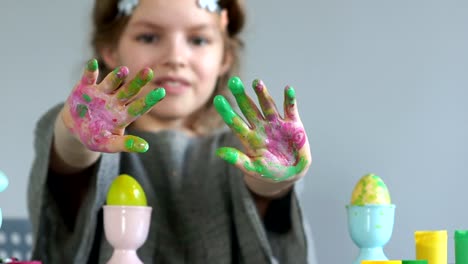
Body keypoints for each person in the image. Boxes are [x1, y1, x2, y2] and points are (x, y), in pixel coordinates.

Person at [28, 0, 316, 263]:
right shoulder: (100, 144)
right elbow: (71, 155)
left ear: (225, 57)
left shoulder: (243, 149)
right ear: (111, 50)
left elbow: (264, 187)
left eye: (198, 39)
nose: (175, 56)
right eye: (149, 37)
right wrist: (75, 135)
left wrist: (277, 177)